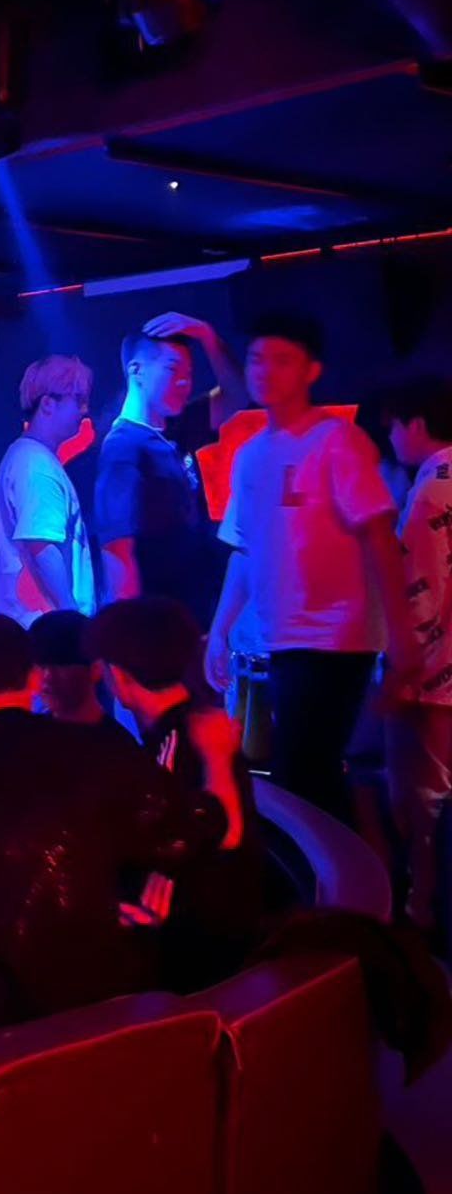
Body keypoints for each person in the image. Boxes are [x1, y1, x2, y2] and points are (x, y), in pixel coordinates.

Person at [0, 615, 240, 1046]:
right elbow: (196, 830)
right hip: (88, 998)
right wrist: (218, 758)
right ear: (35, 679)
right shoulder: (94, 752)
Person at [206, 313, 418, 822]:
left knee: (304, 775)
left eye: (283, 360)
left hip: (336, 637)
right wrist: (219, 630)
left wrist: (402, 636)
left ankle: (351, 869)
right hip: (282, 637)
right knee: (310, 777)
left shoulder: (337, 441)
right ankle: (357, 865)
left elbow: (380, 538)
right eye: (257, 359)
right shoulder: (250, 455)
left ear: (312, 370)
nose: (265, 371)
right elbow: (244, 549)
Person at [88, 598, 262, 989]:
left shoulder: (182, 738)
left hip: (205, 953)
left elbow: (223, 835)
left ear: (118, 676)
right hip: (213, 931)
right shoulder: (189, 724)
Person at [96, 311, 245, 623]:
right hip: (156, 623)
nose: (184, 382)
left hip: (190, 615)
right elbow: (117, 548)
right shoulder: (124, 446)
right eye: (172, 369)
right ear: (136, 370)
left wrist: (206, 334)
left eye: (189, 373)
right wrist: (130, 631)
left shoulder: (176, 427)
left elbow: (237, 395)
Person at [382, 378, 452, 930]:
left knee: (430, 801)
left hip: (439, 681)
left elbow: (421, 596)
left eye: (394, 426)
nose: (390, 437)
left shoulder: (431, 491)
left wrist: (400, 674)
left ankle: (425, 914)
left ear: (417, 424)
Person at [0, 355, 96, 630]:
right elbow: (41, 545)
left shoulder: (25, 457)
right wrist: (72, 620)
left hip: (33, 628)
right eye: (78, 400)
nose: (85, 410)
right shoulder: (37, 465)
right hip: (47, 632)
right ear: (48, 404)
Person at [28, 610, 107, 726]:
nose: (47, 676)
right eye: (40, 665)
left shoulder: (115, 738)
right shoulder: (26, 733)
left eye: (60, 664)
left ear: (96, 668)